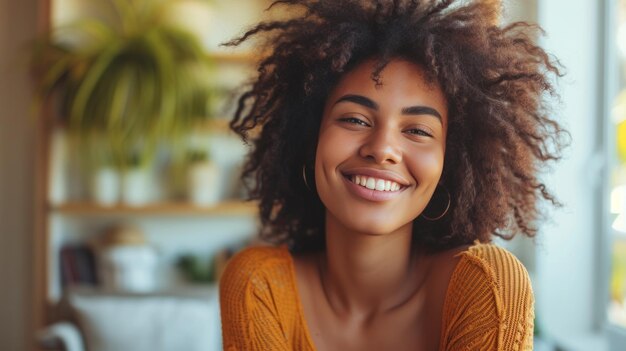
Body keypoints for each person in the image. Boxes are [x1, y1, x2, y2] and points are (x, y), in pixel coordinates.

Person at [219, 0, 567, 350]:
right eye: (354, 119)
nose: (383, 148)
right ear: (310, 139)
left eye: (418, 130)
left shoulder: (490, 285)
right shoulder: (258, 285)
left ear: (451, 161)